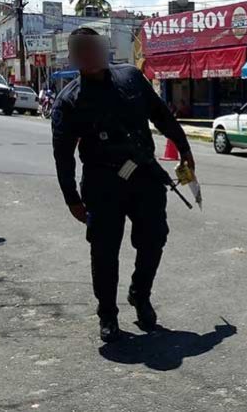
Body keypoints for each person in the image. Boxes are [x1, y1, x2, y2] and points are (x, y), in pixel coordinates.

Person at [51, 27, 194, 343]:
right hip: (102, 185)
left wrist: (184, 148)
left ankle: (139, 294)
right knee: (104, 252)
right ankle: (107, 314)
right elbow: (63, 156)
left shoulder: (130, 76)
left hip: (144, 176)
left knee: (154, 239)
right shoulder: (68, 101)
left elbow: (161, 115)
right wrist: (71, 198)